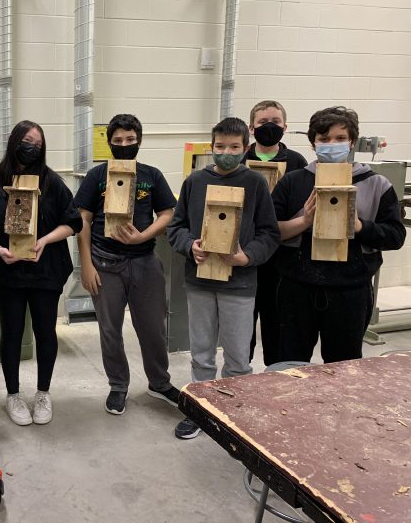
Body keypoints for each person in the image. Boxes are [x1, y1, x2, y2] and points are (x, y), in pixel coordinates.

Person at [167, 117, 280, 440]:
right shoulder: (195, 181)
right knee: (201, 352)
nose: (226, 153)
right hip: (200, 282)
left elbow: (269, 233)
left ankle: (234, 417)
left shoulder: (256, 183)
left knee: (237, 356)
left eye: (234, 147)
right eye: (220, 147)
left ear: (246, 149)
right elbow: (176, 226)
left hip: (240, 285)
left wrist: (248, 256)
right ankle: (202, 411)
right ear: (211, 147)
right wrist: (190, 246)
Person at [273, 106, 405, 364]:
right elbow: (271, 231)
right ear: (313, 143)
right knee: (289, 363)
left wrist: (358, 227)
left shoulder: (376, 184)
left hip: (350, 290)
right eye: (324, 139)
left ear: (352, 141)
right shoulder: (293, 182)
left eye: (340, 139)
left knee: (345, 365)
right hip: (297, 287)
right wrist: (304, 221)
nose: (331, 145)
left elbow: (395, 236)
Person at [0, 120, 81, 426]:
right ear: (14, 143)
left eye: (37, 143)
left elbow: (73, 222)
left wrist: (45, 240)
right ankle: (12, 394)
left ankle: (43, 393)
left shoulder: (52, 182)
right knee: (11, 333)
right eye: (27, 141)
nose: (32, 147)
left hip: (46, 271)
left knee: (46, 332)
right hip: (9, 271)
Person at [74, 113, 179, 416]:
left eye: (130, 140)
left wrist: (143, 236)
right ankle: (118, 385)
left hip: (145, 262)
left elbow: (168, 213)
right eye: (118, 140)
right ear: (109, 143)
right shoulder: (96, 176)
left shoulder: (152, 175)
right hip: (105, 264)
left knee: (153, 328)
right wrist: (86, 265)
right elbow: (82, 219)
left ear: (139, 141)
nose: (124, 145)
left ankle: (159, 382)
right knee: (110, 329)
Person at [243, 100, 307, 365]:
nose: (269, 127)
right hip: (244, 256)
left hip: (282, 259)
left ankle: (274, 375)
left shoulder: (296, 162)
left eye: (275, 122)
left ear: (285, 126)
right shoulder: (240, 158)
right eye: (262, 123)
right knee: (243, 323)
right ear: (251, 127)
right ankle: (240, 375)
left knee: (277, 323)